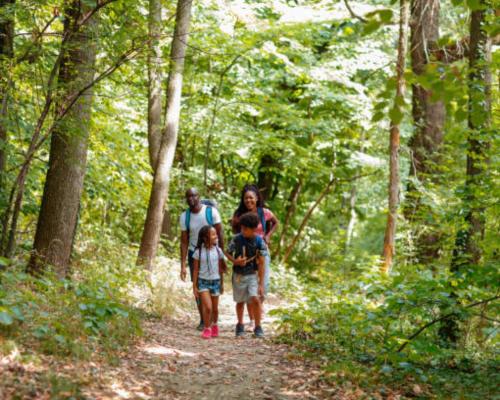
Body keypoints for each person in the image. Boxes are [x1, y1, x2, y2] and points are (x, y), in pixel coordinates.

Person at [231, 184, 278, 328]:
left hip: (261, 251)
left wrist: (268, 235)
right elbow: (234, 232)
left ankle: (257, 309)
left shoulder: (264, 213)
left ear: (257, 198)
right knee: (247, 284)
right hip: (245, 253)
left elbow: (276, 222)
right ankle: (252, 319)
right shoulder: (238, 214)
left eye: (251, 198)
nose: (248, 200)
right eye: (246, 198)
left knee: (263, 284)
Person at [180, 188, 224, 330]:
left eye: (194, 195)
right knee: (198, 286)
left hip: (212, 253)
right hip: (196, 253)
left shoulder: (211, 212)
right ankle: (203, 319)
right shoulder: (184, 216)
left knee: (213, 285)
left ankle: (212, 316)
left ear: (199, 196)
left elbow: (220, 234)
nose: (191, 198)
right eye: (188, 196)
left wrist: (221, 257)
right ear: (186, 199)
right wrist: (183, 265)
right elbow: (184, 241)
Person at [226, 212, 268, 338]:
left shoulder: (260, 242)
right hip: (239, 275)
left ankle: (258, 326)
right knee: (240, 301)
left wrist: (260, 283)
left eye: (245, 229)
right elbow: (227, 252)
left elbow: (261, 263)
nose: (242, 231)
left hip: (252, 275)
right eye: (241, 228)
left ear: (253, 229)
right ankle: (240, 325)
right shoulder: (236, 239)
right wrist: (235, 261)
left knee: (255, 299)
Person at [192, 225, 227, 339]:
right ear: (205, 238)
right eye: (213, 234)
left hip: (215, 281)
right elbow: (196, 269)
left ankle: (215, 325)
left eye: (216, 234)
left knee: (215, 309)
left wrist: (221, 283)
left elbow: (221, 268)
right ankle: (207, 328)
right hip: (203, 282)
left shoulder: (218, 250)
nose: (216, 236)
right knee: (208, 307)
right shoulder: (198, 251)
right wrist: (194, 286)